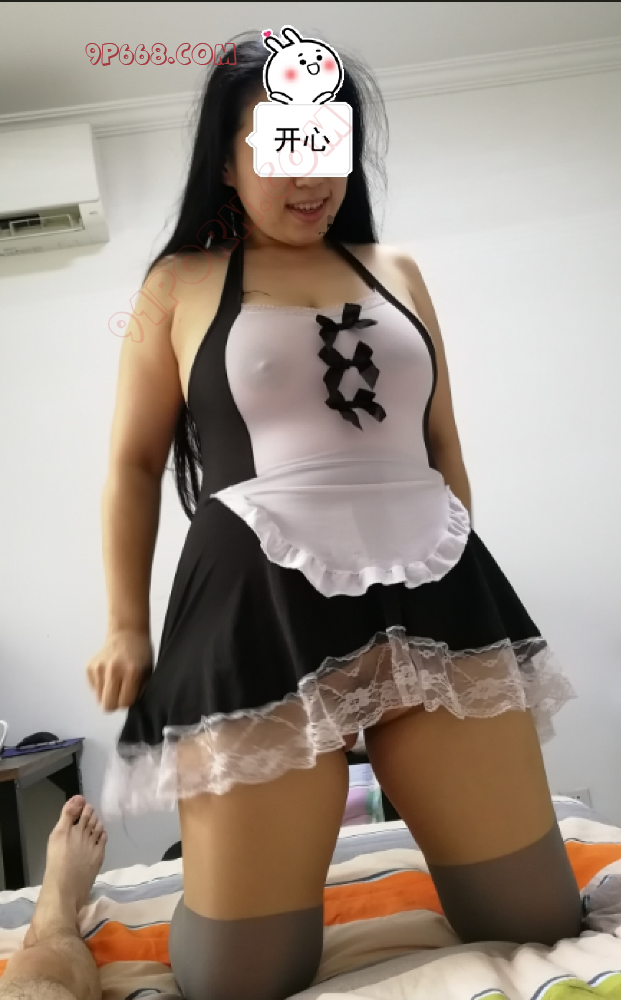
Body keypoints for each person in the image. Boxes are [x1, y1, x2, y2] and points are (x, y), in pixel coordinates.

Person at [82, 31, 582, 1000]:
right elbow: (133, 463)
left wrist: (457, 578)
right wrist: (124, 624)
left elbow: (443, 443)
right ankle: (81, 895)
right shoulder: (177, 283)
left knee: (536, 918)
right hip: (255, 613)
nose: (309, 172)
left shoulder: (398, 268)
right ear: (225, 161)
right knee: (240, 978)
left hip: (434, 597)